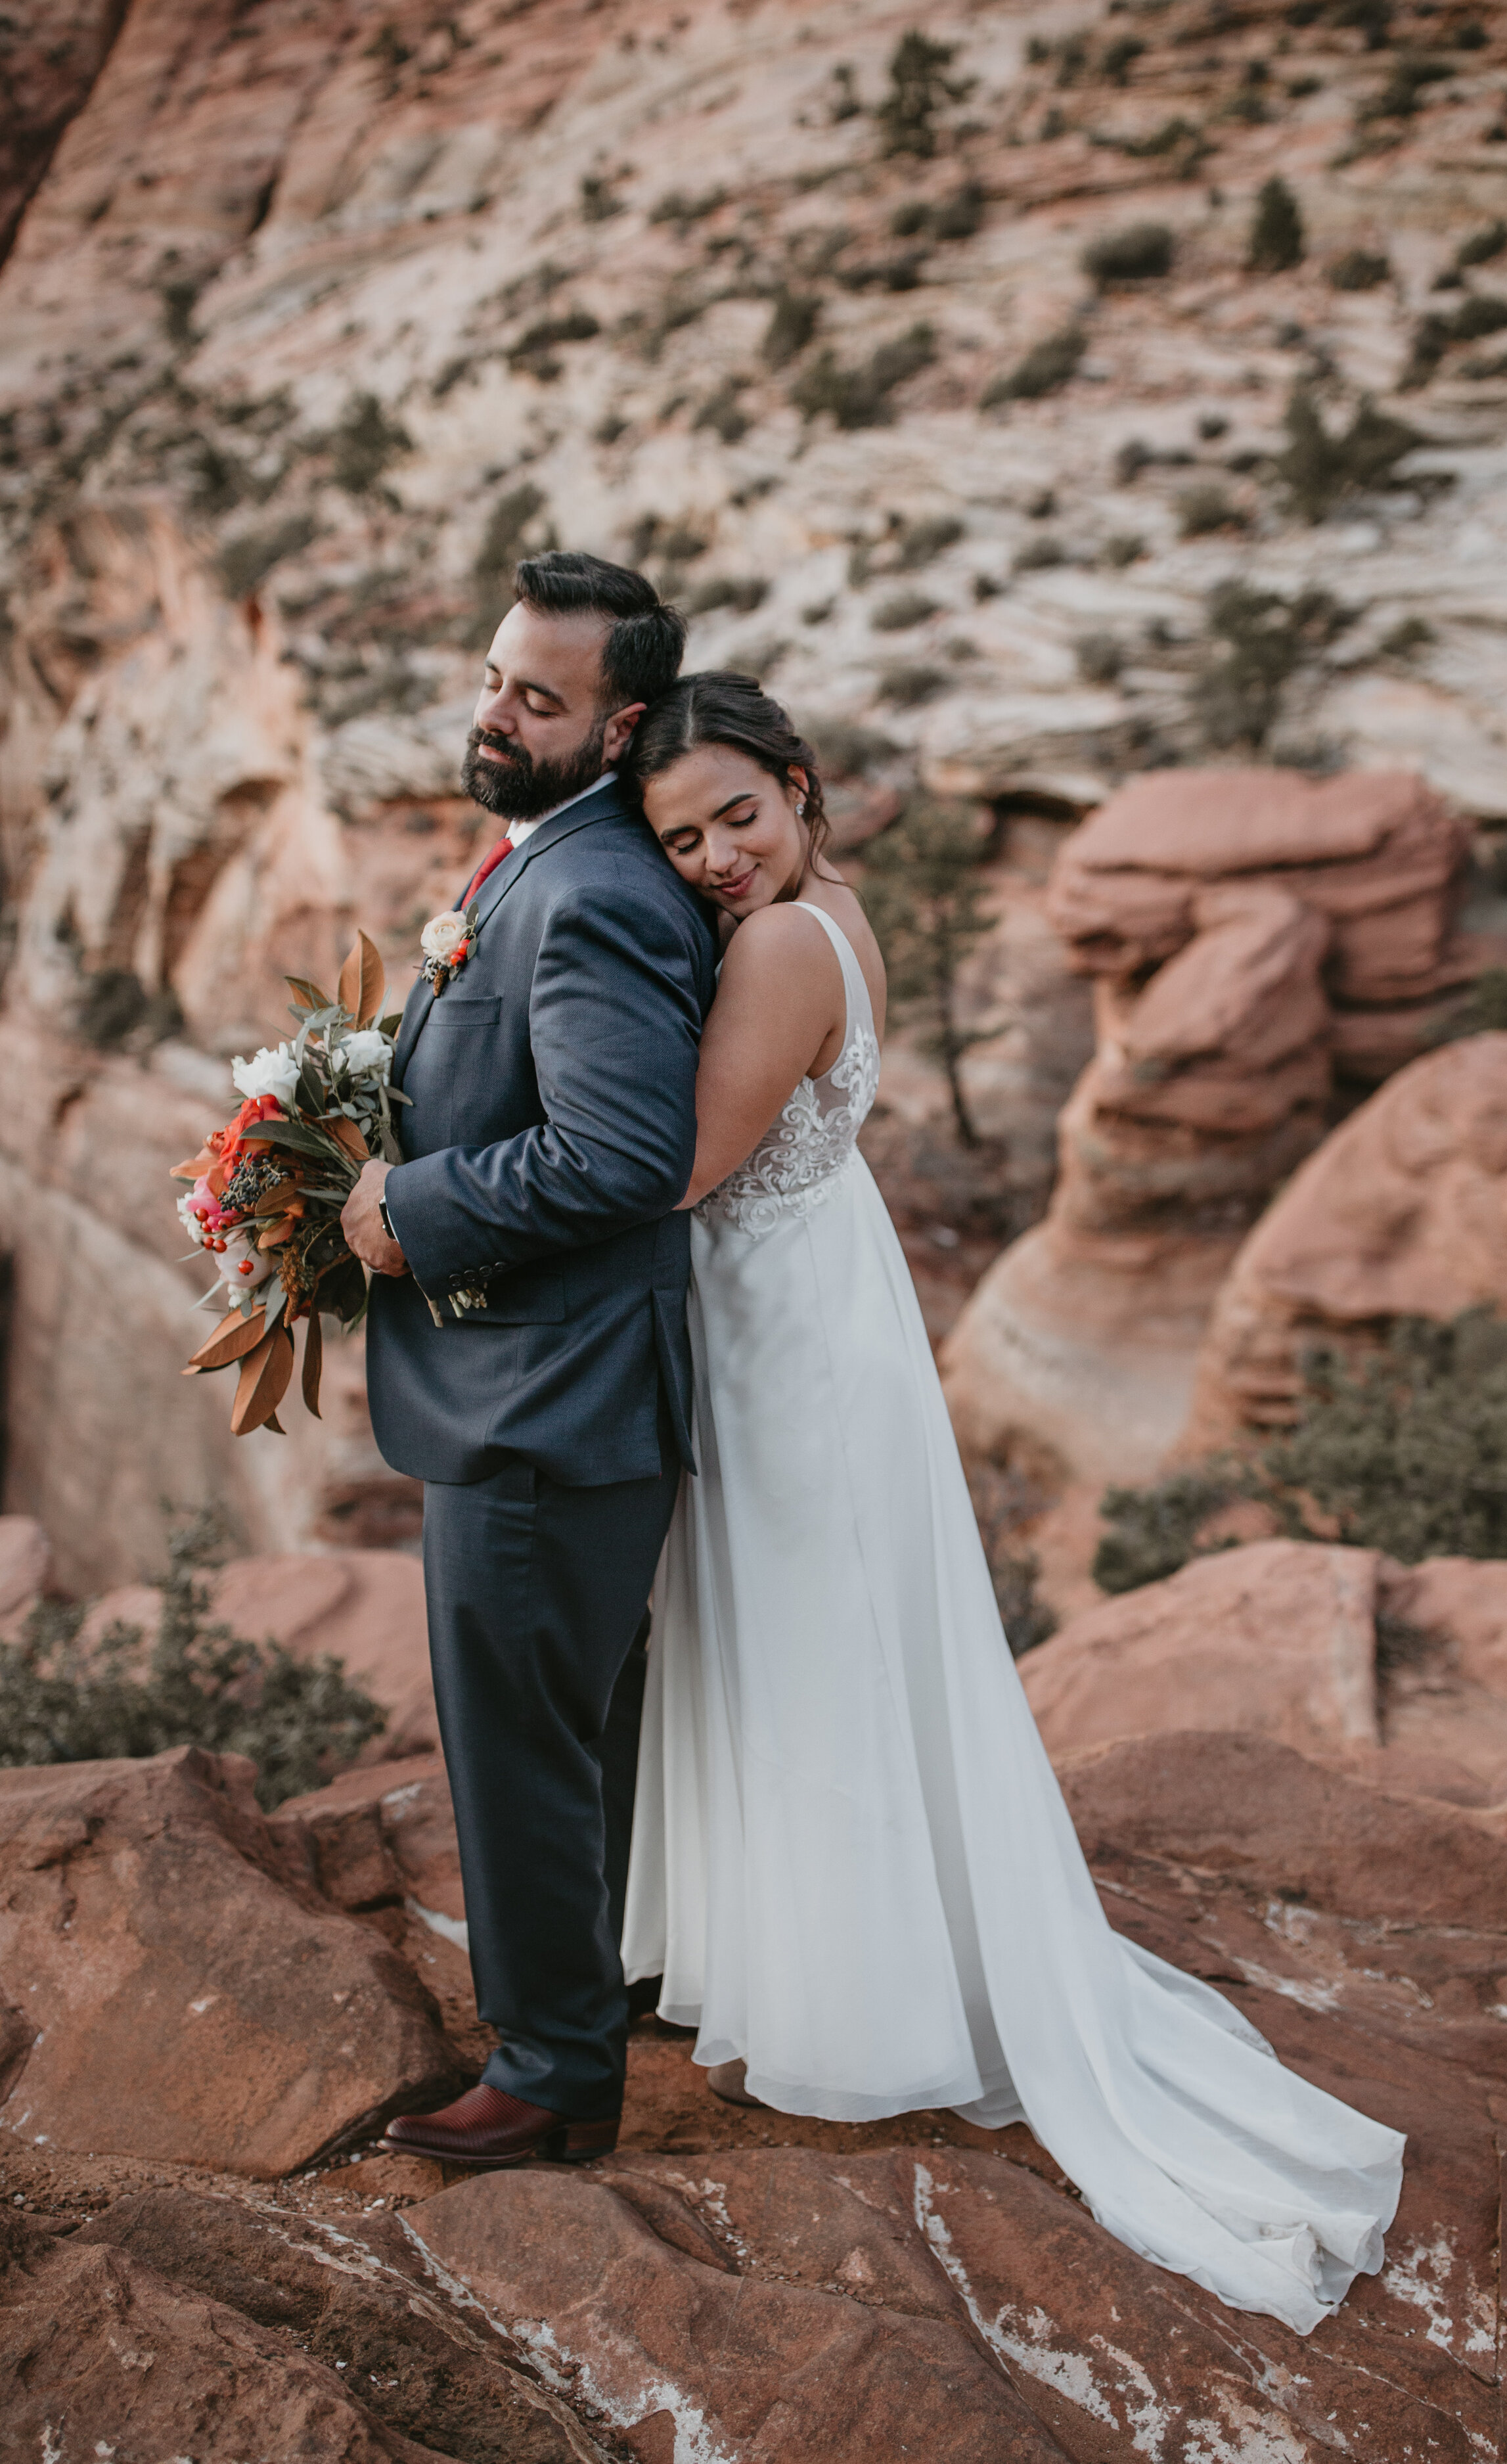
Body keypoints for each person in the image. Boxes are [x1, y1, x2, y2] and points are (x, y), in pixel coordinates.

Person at [617, 670, 1405, 2337]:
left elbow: (678, 1168)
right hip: (820, 1294)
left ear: (799, 787)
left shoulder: (771, 945)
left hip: (782, 1323)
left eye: (735, 817)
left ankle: (853, 1995)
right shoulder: (833, 905)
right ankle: (849, 1940)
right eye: (677, 838)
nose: (710, 859)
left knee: (814, 1639)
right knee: (836, 1630)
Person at [339, 551, 717, 2169]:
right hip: (537, 1389)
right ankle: (595, 1997)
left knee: (520, 1739)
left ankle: (554, 2075)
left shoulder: (602, 891)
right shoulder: (538, 860)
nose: (493, 712)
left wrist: (407, 1210)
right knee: (566, 1727)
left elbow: (623, 1154)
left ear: (617, 725)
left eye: (535, 699)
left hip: (548, 1404)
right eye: (493, 676)